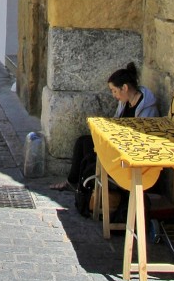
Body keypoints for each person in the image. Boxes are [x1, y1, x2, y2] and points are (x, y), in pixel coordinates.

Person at [51, 61, 159, 191]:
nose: (114, 95)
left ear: (124, 88)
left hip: (130, 149)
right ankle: (75, 183)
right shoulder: (125, 102)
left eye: (114, 91)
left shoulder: (146, 107)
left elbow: (141, 135)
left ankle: (90, 189)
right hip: (118, 142)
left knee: (91, 152)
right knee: (83, 142)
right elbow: (116, 121)